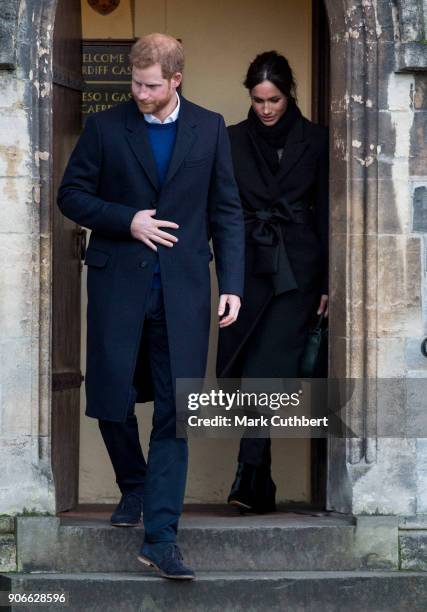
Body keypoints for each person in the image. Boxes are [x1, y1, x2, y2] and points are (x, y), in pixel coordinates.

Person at [57, 33, 244, 580]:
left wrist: (230, 282)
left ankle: (161, 537)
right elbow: (72, 195)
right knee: (111, 400)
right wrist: (128, 219)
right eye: (135, 83)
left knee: (176, 414)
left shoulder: (208, 128)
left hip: (183, 292)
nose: (140, 93)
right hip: (119, 288)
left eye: (151, 85)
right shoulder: (105, 127)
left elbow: (227, 210)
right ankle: (134, 485)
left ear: (175, 81)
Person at [217, 51, 329, 514]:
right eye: (258, 99)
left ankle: (248, 471)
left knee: (266, 369)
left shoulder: (317, 140)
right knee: (247, 372)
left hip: (298, 272)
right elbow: (220, 209)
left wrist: (327, 282)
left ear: (289, 94)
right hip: (247, 270)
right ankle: (260, 481)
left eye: (274, 99)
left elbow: (326, 213)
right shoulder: (231, 140)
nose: (266, 108)